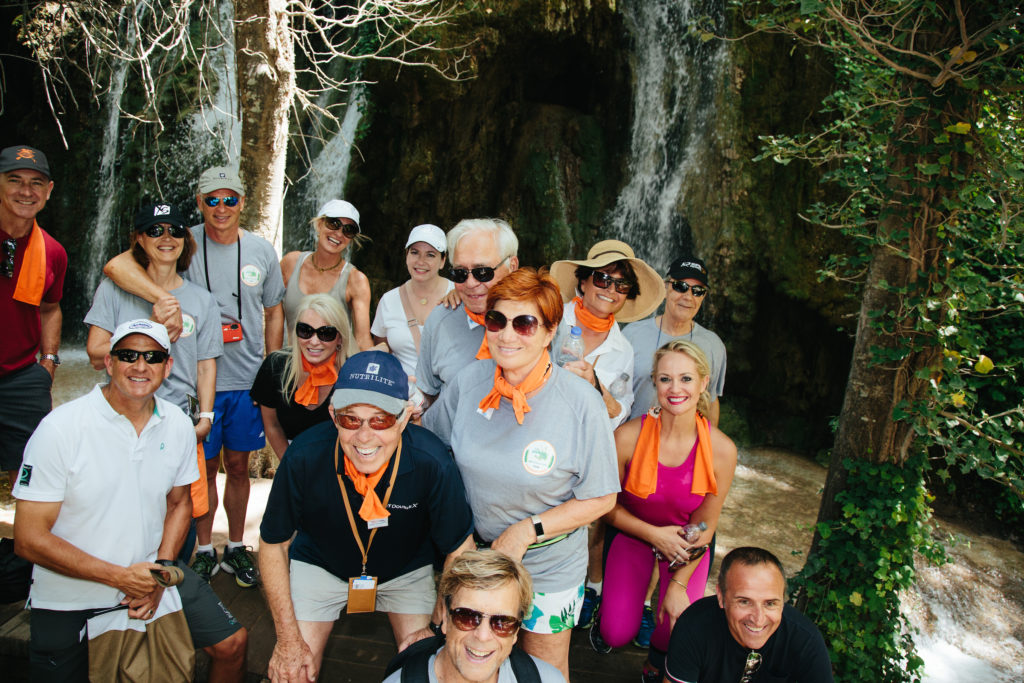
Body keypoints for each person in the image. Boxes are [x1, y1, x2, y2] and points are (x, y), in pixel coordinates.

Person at [12, 319, 247, 682]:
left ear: (167, 367)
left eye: (152, 357)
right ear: (109, 362)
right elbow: (28, 539)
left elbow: (180, 503)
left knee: (232, 643)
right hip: (70, 593)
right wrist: (122, 578)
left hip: (152, 574)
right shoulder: (61, 428)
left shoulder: (178, 425)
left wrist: (161, 570)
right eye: (128, 355)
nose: (141, 366)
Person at [424, 268, 620, 681]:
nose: (507, 335)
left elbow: (602, 498)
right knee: (469, 666)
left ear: (550, 332)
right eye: (496, 320)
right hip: (473, 562)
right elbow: (430, 446)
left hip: (548, 564)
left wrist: (525, 531)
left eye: (524, 323)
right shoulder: (469, 382)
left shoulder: (582, 403)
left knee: (545, 672)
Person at [103, 166, 286, 587]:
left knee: (238, 467)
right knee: (198, 471)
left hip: (243, 380)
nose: (221, 208)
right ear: (199, 204)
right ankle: (204, 547)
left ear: (243, 203)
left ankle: (237, 545)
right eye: (212, 200)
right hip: (193, 382)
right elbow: (117, 266)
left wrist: (270, 369)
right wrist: (161, 297)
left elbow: (274, 308)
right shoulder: (176, 241)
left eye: (230, 199)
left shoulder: (260, 249)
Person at [259, 350, 475, 682]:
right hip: (321, 565)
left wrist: (437, 624)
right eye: (350, 419)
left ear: (404, 418)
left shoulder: (432, 462)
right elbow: (272, 544)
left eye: (380, 419)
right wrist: (287, 640)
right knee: (292, 672)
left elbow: (460, 549)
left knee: (425, 668)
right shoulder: (304, 455)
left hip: (404, 571)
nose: (364, 435)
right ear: (333, 416)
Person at [591, 341, 737, 683]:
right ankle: (608, 611)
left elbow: (706, 522)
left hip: (689, 545)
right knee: (616, 634)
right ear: (654, 383)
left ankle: (656, 664)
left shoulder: (722, 450)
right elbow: (605, 507)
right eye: (665, 379)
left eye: (686, 379)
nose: (675, 389)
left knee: (678, 624)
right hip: (632, 533)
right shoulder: (626, 437)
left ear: (703, 383)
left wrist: (678, 584)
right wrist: (654, 535)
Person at [85, 202, 223, 562]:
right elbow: (95, 349)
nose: (167, 238)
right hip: (120, 421)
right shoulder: (113, 290)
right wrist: (150, 322)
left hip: (177, 421)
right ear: (140, 239)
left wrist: (206, 416)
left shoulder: (203, 301)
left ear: (185, 240)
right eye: (156, 230)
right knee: (120, 513)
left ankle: (167, 593)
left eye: (176, 231)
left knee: (181, 517)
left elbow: (206, 364)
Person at [383, 549, 565, 683]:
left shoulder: (547, 679)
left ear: (516, 632)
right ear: (445, 619)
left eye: (502, 622)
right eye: (467, 617)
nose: (483, 635)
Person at [663, 547, 834, 683]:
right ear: (721, 596)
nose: (758, 619)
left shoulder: (805, 639)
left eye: (770, 603)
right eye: (744, 602)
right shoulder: (694, 626)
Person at [0, 144, 67, 487]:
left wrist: (49, 361)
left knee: (30, 475)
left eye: (36, 183)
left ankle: (23, 542)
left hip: (23, 379)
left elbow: (51, 307)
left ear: (49, 190)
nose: (26, 191)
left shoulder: (52, 251)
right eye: (15, 180)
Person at [549, 239, 664, 428]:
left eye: (622, 285)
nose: (611, 289)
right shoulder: (552, 318)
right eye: (602, 279)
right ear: (584, 283)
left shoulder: (623, 349)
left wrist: (597, 387)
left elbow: (622, 409)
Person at [416, 218, 518, 410]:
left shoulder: (541, 318)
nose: (470, 284)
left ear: (512, 266)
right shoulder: (441, 320)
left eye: (482, 272)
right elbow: (428, 394)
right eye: (460, 273)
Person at [624, 256, 726, 427]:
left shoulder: (714, 345)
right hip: (634, 444)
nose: (688, 296)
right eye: (680, 287)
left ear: (703, 296)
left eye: (698, 290)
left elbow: (712, 401)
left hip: (684, 449)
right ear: (665, 288)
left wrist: (709, 446)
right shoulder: (632, 334)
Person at [251, 293, 350, 458]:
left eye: (325, 333)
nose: (314, 341)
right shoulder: (276, 366)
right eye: (305, 331)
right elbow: (272, 425)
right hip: (291, 456)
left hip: (339, 462)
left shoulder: (353, 374)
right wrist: (290, 467)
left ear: (339, 338)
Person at [281, 199, 372, 352]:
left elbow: (362, 339)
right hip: (291, 365)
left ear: (351, 239)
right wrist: (272, 361)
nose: (338, 233)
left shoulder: (356, 280)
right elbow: (273, 318)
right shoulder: (290, 263)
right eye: (333, 223)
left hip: (333, 371)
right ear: (319, 224)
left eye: (348, 230)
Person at [371, 223, 453, 392]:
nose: (421, 261)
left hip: (450, 398)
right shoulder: (389, 300)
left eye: (430, 255)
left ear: (443, 261)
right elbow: (382, 350)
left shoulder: (460, 296)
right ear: (406, 255)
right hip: (403, 397)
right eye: (415, 252)